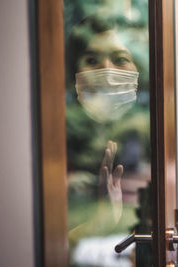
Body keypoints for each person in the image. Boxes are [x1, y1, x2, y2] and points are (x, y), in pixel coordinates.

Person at [65, 12, 141, 248]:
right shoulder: (55, 130)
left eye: (120, 59)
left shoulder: (151, 129)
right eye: (91, 60)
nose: (106, 70)